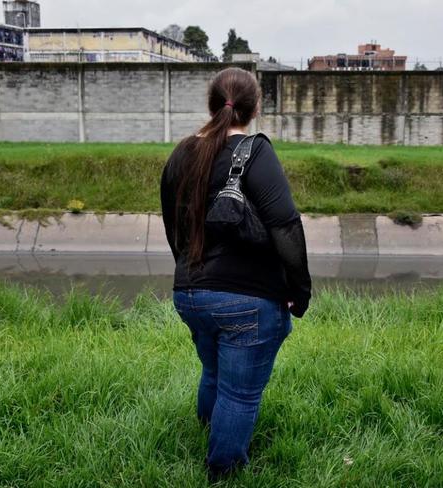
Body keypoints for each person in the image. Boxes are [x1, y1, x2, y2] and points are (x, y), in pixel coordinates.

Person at [160, 67, 312, 478]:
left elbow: (174, 226)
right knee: (240, 394)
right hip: (246, 298)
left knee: (213, 371)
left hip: (189, 292)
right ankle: (222, 471)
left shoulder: (180, 153)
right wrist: (299, 289)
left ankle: (209, 436)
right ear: (255, 106)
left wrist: (188, 275)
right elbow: (284, 226)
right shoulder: (256, 151)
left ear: (211, 104)